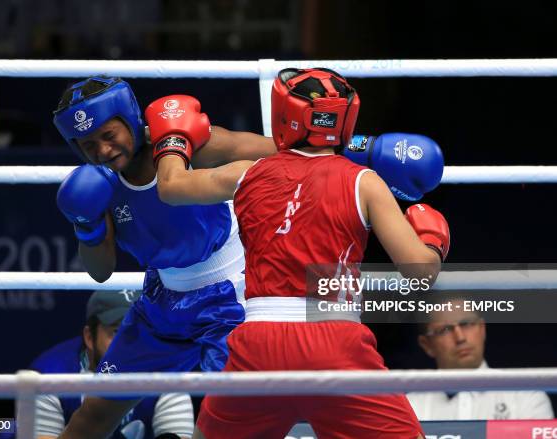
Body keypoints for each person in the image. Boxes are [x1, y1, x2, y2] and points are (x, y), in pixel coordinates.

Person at [52, 76, 444, 438]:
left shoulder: (193, 143)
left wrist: (366, 148)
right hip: (162, 303)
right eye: (88, 146)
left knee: (250, 418)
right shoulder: (93, 188)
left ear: (130, 119)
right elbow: (101, 272)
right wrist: (86, 227)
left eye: (109, 135)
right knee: (96, 411)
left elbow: (286, 151)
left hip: (230, 299)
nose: (103, 150)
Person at [31, 289, 194, 439]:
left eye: (141, 331)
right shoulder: (50, 377)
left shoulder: (166, 373)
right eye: (119, 332)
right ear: (89, 337)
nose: (131, 345)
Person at [407, 298, 554, 420]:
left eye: (466, 324)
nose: (460, 338)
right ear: (426, 345)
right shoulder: (409, 407)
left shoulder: (526, 395)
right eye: (444, 330)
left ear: (482, 329)